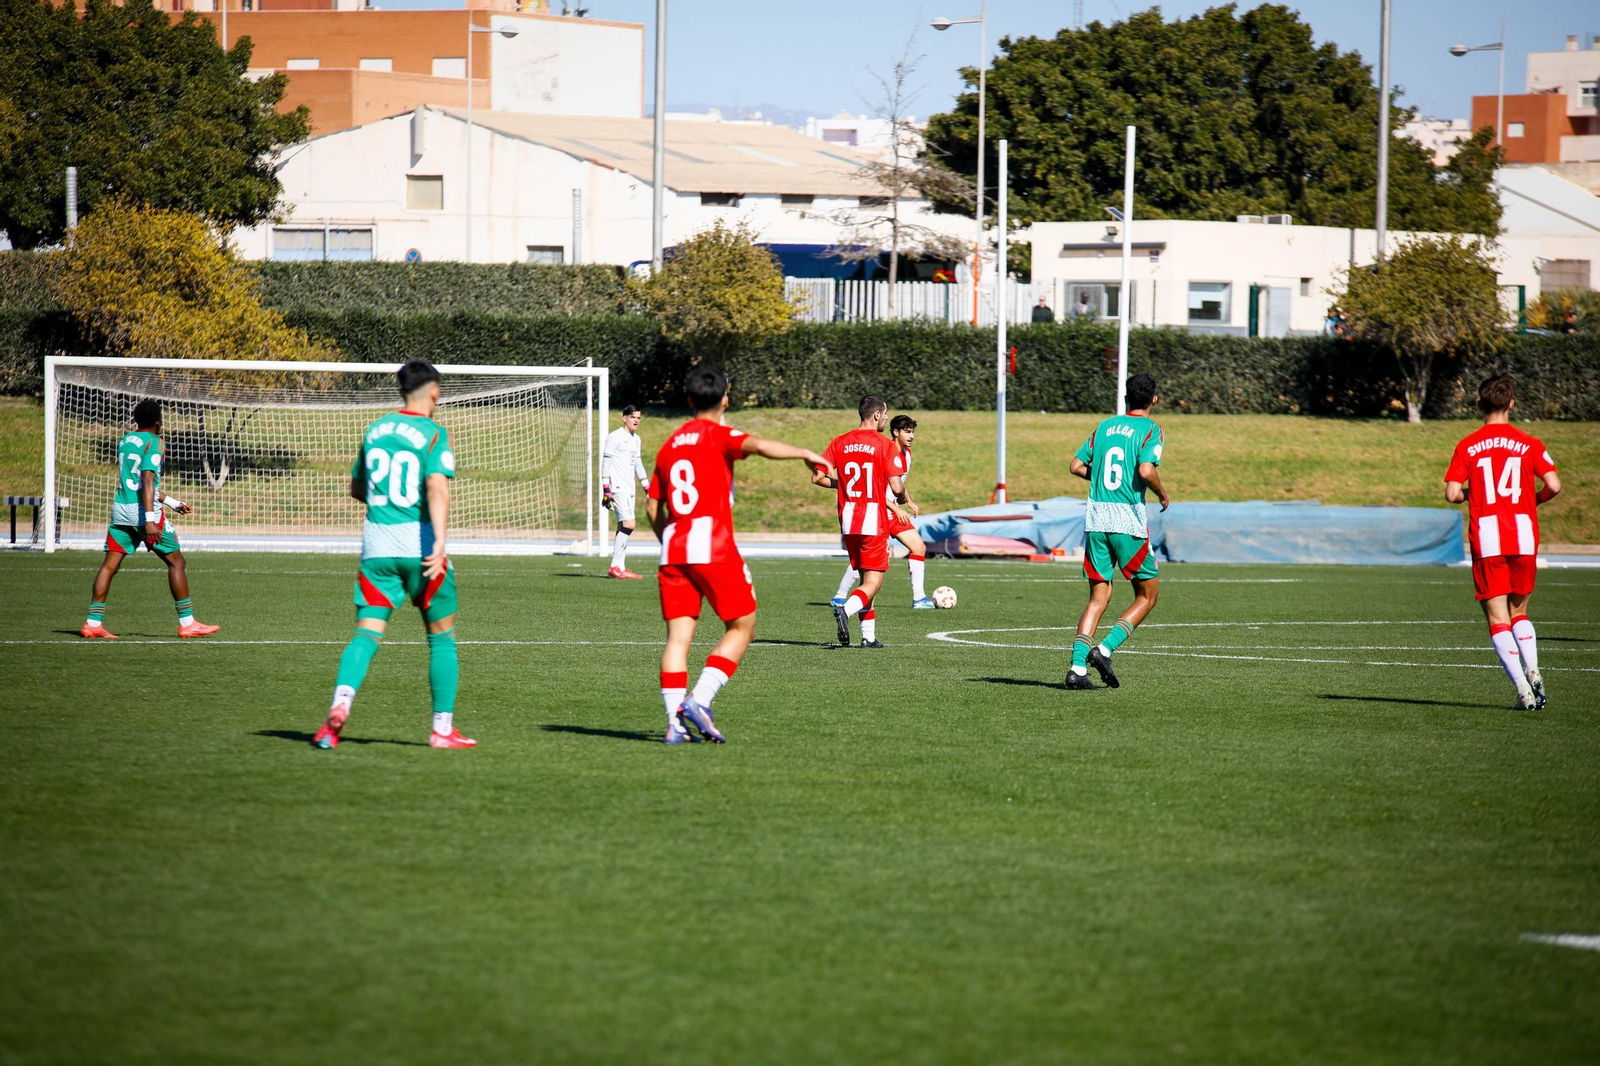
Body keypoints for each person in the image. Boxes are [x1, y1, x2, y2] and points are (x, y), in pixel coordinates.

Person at [647, 365, 830, 744]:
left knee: (678, 639)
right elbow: (760, 446)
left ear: (688, 400)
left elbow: (652, 509)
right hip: (711, 546)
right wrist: (804, 453)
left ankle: (674, 725)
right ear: (725, 399)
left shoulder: (668, 446)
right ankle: (699, 700)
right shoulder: (718, 435)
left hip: (673, 551)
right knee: (742, 625)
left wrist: (669, 538)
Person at [313, 359, 475, 750]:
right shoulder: (433, 433)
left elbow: (356, 488)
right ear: (434, 391)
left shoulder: (376, 429)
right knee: (441, 638)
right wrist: (439, 542)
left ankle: (339, 708)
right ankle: (441, 729)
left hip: (377, 547)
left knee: (366, 635)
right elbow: (437, 487)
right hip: (420, 546)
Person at [1443, 374, 1562, 710]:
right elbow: (1554, 484)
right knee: (1519, 611)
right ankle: (1534, 668)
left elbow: (1452, 493)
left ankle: (1524, 690)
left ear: (1480, 405)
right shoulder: (1530, 443)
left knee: (1497, 618)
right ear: (1512, 403)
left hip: (1488, 536)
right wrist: (1532, 500)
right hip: (1524, 534)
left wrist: (1471, 493)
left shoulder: (1468, 445)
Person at [1064, 372, 1170, 690]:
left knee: (1099, 597)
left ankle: (1076, 668)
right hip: (1128, 522)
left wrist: (1100, 480)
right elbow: (1146, 469)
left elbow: (1075, 465)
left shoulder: (1104, 427)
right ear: (1153, 399)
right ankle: (1105, 649)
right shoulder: (1152, 429)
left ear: (1126, 397)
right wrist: (1161, 493)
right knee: (1147, 595)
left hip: (1096, 519)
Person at [81, 399, 220, 640]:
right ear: (158, 422)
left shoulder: (125, 441)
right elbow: (146, 480)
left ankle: (93, 623)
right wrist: (149, 520)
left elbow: (135, 481)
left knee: (110, 566)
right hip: (145, 513)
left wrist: (172, 502)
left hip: (121, 510)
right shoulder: (155, 442)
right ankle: (187, 623)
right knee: (177, 562)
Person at [815, 395, 909, 648]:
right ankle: (846, 609)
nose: (887, 418)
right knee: (874, 582)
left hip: (849, 523)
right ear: (876, 415)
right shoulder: (884, 444)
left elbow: (817, 477)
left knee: (865, 579)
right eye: (886, 413)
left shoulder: (839, 442)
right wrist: (901, 497)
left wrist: (841, 484)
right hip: (873, 522)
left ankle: (868, 637)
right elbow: (897, 485)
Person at [831, 414, 933, 609]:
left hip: (893, 513)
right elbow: (874, 490)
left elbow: (899, 484)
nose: (911, 436)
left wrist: (909, 501)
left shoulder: (907, 454)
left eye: (913, 432)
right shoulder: (882, 449)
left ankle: (919, 598)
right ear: (895, 432)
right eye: (907, 432)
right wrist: (896, 507)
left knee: (918, 547)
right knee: (867, 563)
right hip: (878, 514)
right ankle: (840, 595)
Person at [602, 404, 650, 579]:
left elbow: (638, 464)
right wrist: (606, 489)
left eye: (638, 417)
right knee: (630, 524)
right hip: (617, 488)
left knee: (623, 525)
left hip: (629, 488)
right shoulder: (614, 437)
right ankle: (614, 565)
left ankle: (620, 567)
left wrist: (646, 486)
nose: (636, 420)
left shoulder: (636, 439)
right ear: (624, 418)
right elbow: (605, 463)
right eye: (633, 417)